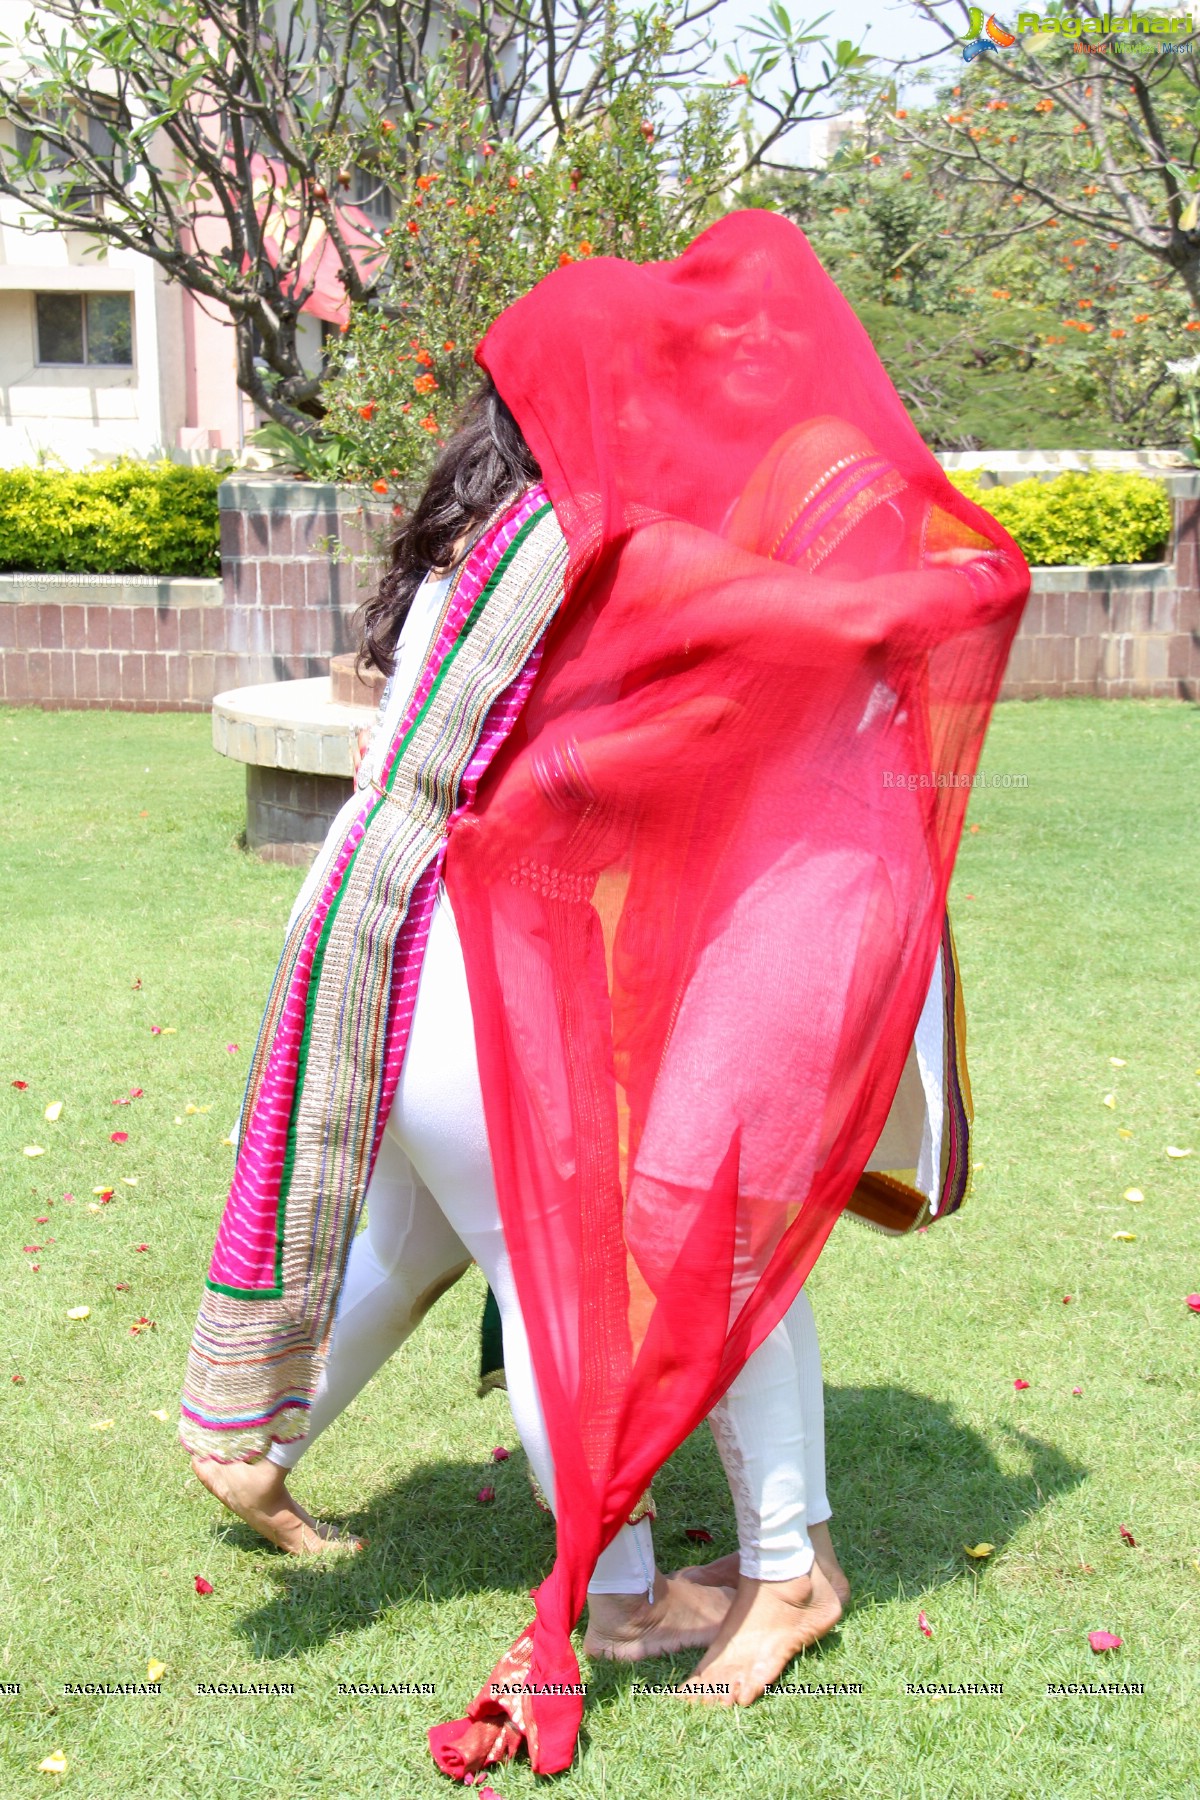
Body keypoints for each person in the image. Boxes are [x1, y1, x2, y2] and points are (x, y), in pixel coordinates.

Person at [180, 210, 1027, 1780]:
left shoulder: (474, 542)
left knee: (416, 1236)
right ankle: (655, 1590)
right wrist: (973, 584)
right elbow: (799, 644)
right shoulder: (615, 543)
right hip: (473, 961)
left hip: (366, 932)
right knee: (615, 1260)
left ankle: (246, 1439)